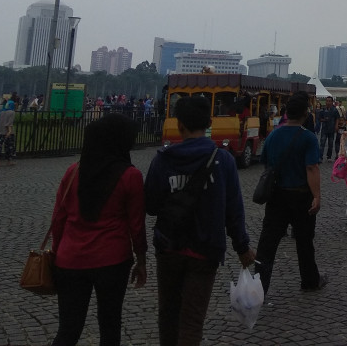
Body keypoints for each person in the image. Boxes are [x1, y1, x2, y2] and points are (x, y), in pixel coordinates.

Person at [144, 96, 256, 346]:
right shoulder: (223, 160)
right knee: (193, 319)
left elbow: (150, 206)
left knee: (168, 314)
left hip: (169, 247)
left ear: (179, 125)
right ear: (208, 124)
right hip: (205, 251)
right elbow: (234, 210)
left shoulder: (163, 159)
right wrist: (242, 246)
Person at [49, 115, 147, 346]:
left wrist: (56, 252)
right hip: (112, 259)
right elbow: (136, 225)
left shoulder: (73, 172)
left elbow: (58, 219)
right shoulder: (130, 176)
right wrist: (141, 260)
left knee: (68, 329)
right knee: (110, 325)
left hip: (70, 259)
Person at [254, 92, 325, 294]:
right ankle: (310, 280)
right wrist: (317, 196)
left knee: (268, 243)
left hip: (277, 196)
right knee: (304, 241)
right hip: (301, 195)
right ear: (305, 113)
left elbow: (266, 164)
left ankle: (259, 286)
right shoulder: (308, 138)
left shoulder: (273, 135)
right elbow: (311, 168)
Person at [317, 97, 339, 163]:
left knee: (331, 143)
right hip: (324, 129)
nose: (328, 102)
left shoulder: (335, 110)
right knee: (322, 143)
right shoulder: (322, 110)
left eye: (329, 101)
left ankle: (329, 156)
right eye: (327, 101)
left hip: (331, 129)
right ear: (325, 102)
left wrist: (336, 125)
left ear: (332, 102)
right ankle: (320, 157)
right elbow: (319, 119)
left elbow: (337, 118)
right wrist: (324, 119)